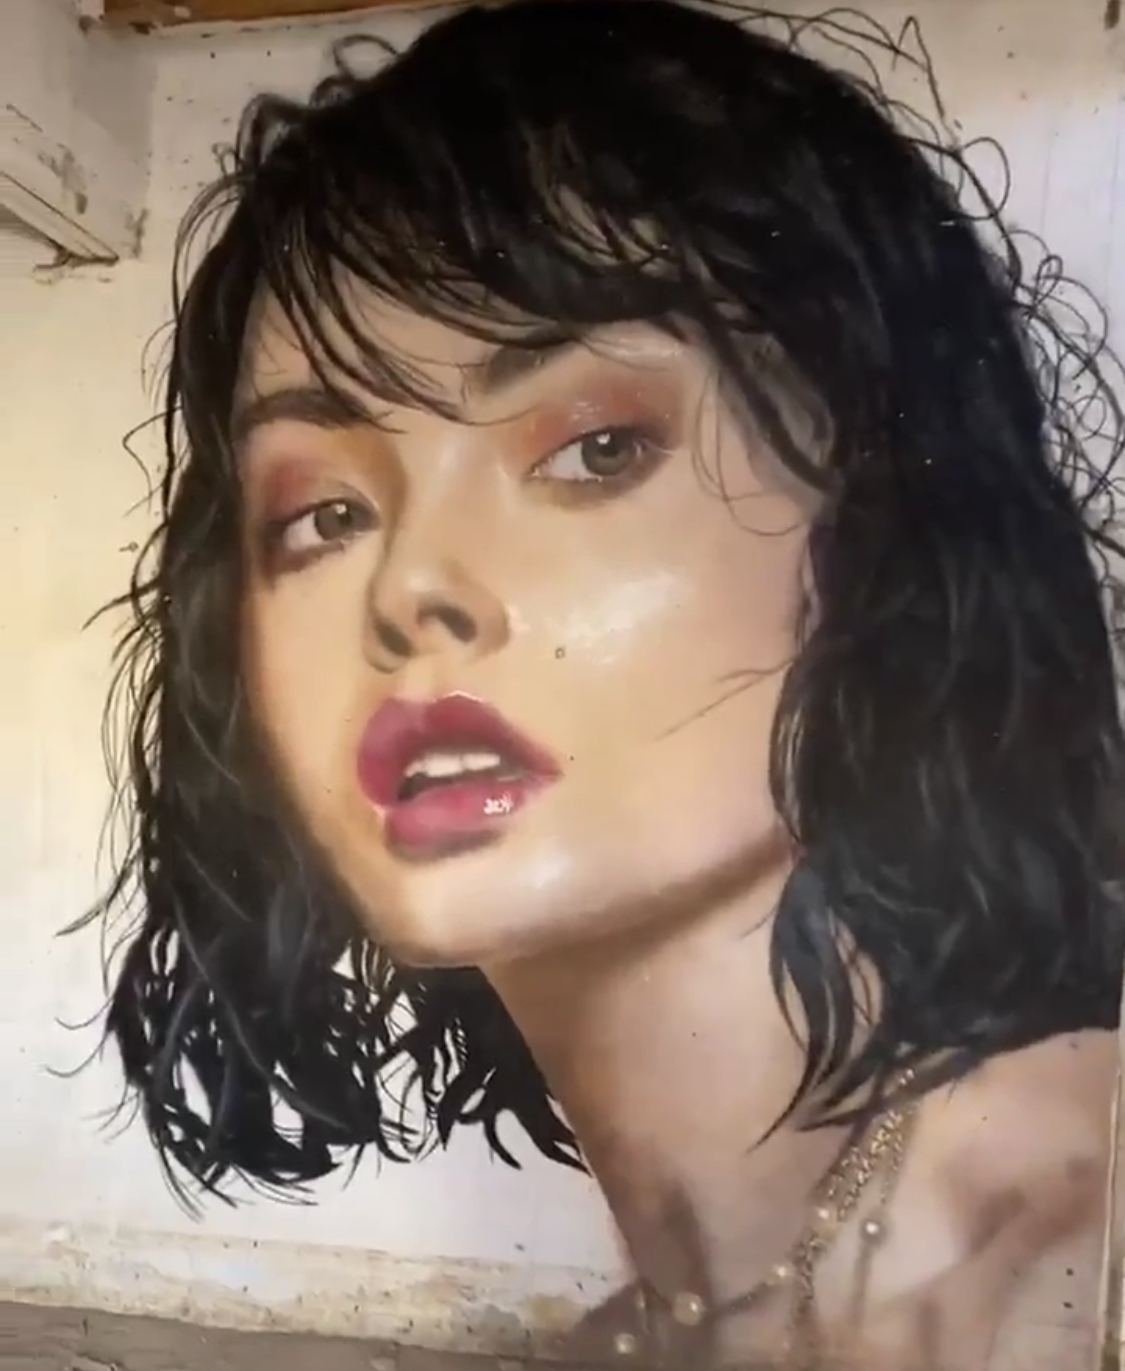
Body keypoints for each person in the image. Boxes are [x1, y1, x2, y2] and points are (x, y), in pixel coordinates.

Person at [79, 1, 1125, 1367]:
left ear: (878, 522)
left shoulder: (1080, 1245)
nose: (409, 589)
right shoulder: (638, 1340)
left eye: (593, 450)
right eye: (324, 515)